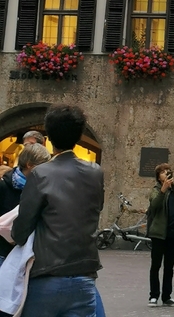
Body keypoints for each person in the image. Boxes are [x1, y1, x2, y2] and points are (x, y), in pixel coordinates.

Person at [12, 104, 104, 317]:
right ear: (79, 135)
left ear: (49, 138)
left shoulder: (40, 174)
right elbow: (95, 208)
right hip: (84, 273)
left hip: (47, 275)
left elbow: (22, 229)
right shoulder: (95, 173)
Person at [0, 143, 51, 262]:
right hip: (3, 252)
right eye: (42, 166)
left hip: (28, 254)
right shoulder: (3, 186)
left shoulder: (41, 189)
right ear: (29, 165)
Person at [147, 162, 174, 307]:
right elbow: (154, 207)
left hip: (172, 234)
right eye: (163, 172)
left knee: (169, 267)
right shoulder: (155, 191)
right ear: (159, 177)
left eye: (168, 171)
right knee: (156, 265)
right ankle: (153, 296)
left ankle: (167, 296)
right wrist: (163, 191)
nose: (167, 173)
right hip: (158, 234)